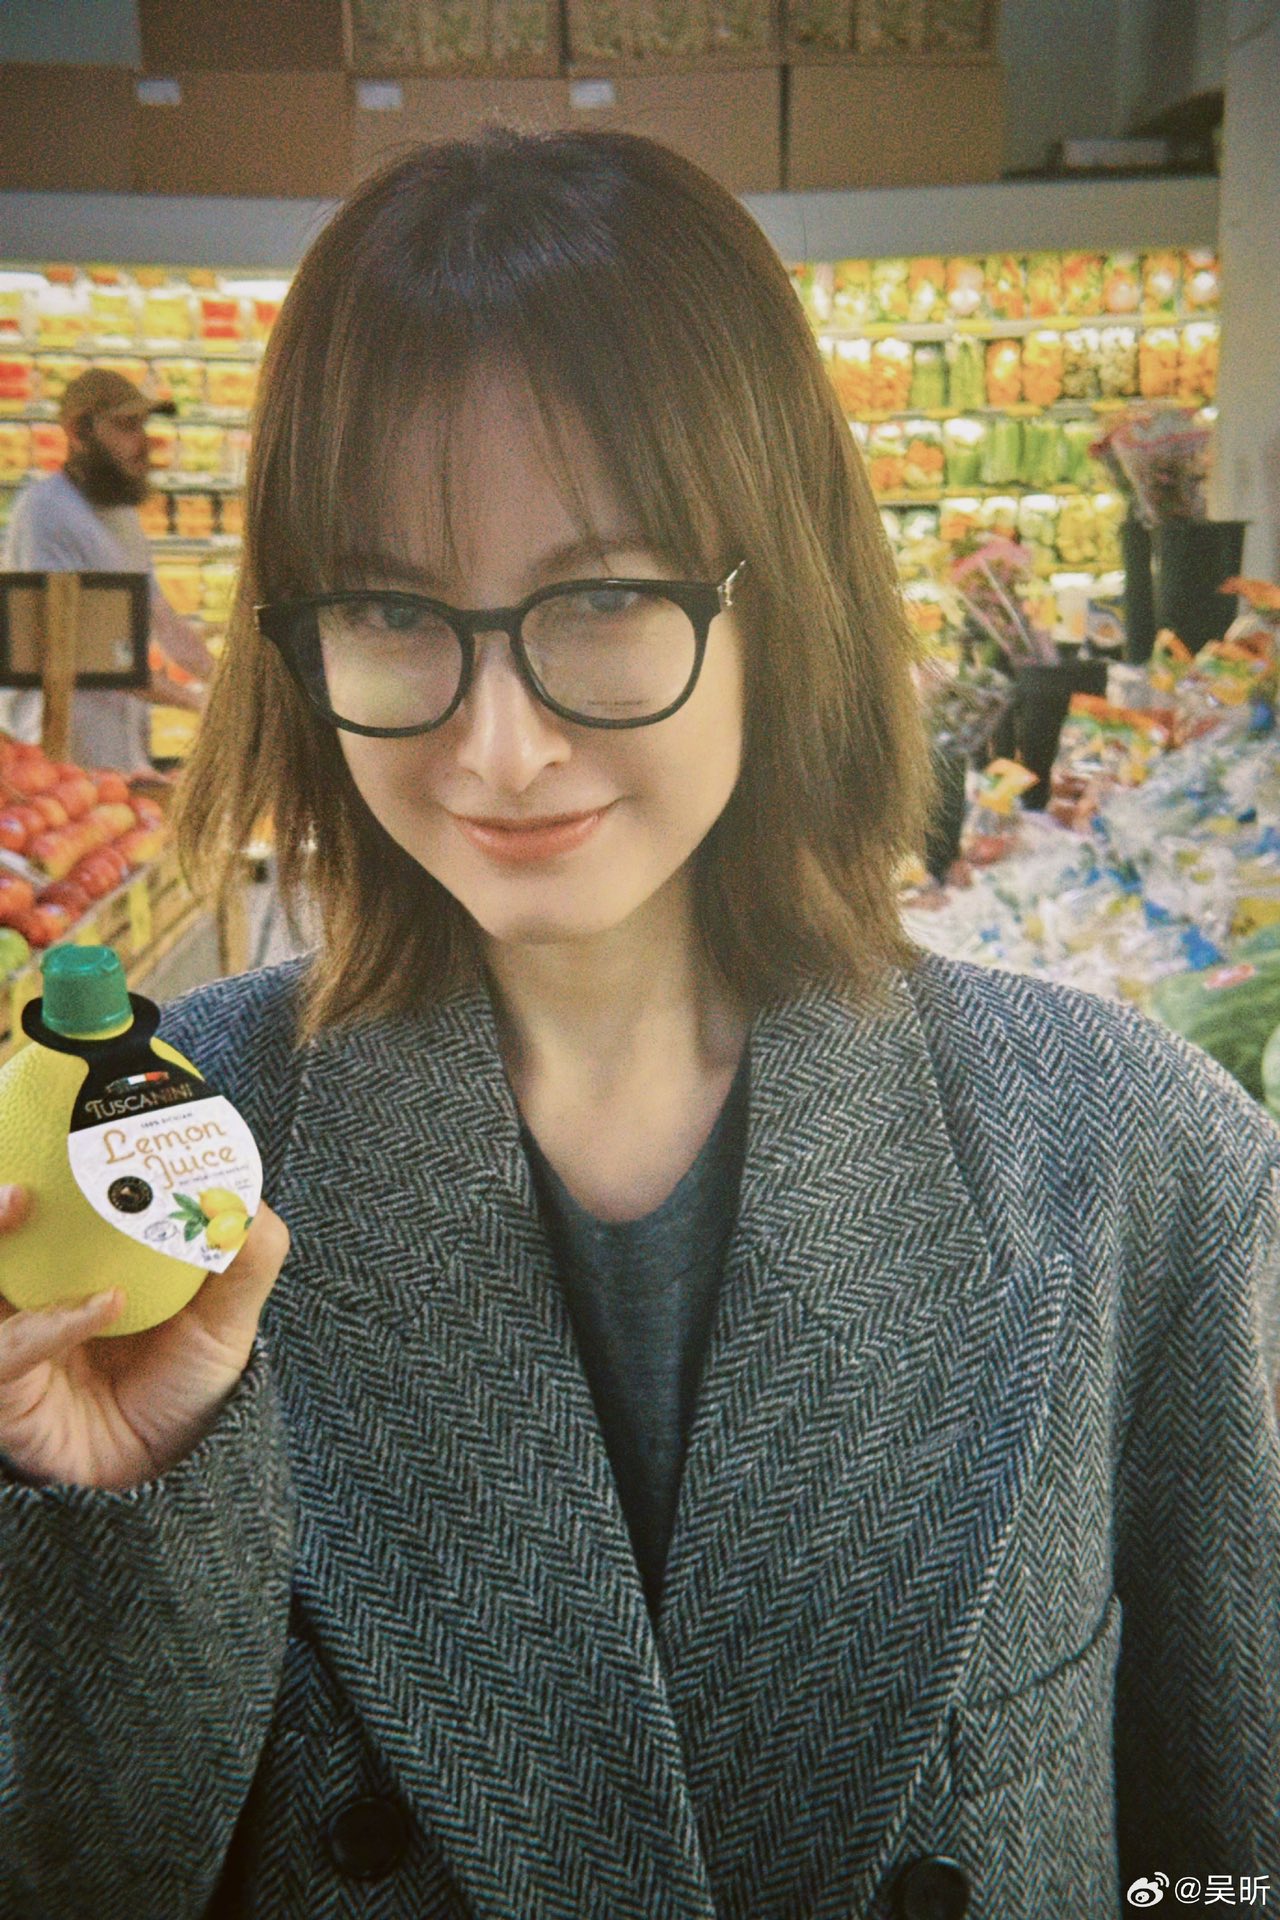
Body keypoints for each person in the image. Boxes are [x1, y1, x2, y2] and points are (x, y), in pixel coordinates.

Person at [0, 130, 1276, 1920]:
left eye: (602, 597)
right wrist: (108, 1526)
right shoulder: (165, 1156)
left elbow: (1221, 1860)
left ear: (780, 597)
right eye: (391, 609)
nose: (498, 747)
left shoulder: (1136, 1162)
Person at [0, 366, 218, 773]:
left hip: (115, 752)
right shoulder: (46, 510)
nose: (143, 442)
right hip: (55, 752)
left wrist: (223, 682)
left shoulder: (122, 515)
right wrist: (195, 701)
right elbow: (83, 648)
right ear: (79, 431)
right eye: (126, 426)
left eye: (143, 425)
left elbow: (161, 617)